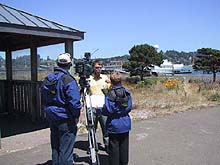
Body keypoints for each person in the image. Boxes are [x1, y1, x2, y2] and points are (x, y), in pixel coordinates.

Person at [41, 53, 81, 165]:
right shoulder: (68, 80)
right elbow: (75, 102)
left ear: (57, 63)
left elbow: (43, 97)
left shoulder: (48, 79)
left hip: (52, 116)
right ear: (69, 65)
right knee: (66, 151)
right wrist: (76, 116)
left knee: (56, 147)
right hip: (66, 118)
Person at [100, 72, 132, 165]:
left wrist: (101, 109)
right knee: (124, 147)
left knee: (114, 149)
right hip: (125, 122)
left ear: (111, 81)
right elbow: (129, 107)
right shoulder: (127, 92)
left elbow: (108, 110)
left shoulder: (110, 94)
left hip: (114, 124)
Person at [88, 59, 110, 151]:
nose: (99, 69)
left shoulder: (105, 78)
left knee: (106, 127)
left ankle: (107, 145)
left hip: (103, 107)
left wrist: (110, 83)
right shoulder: (88, 79)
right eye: (97, 67)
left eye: (100, 67)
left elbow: (110, 91)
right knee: (92, 128)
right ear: (93, 68)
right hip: (92, 107)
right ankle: (92, 147)